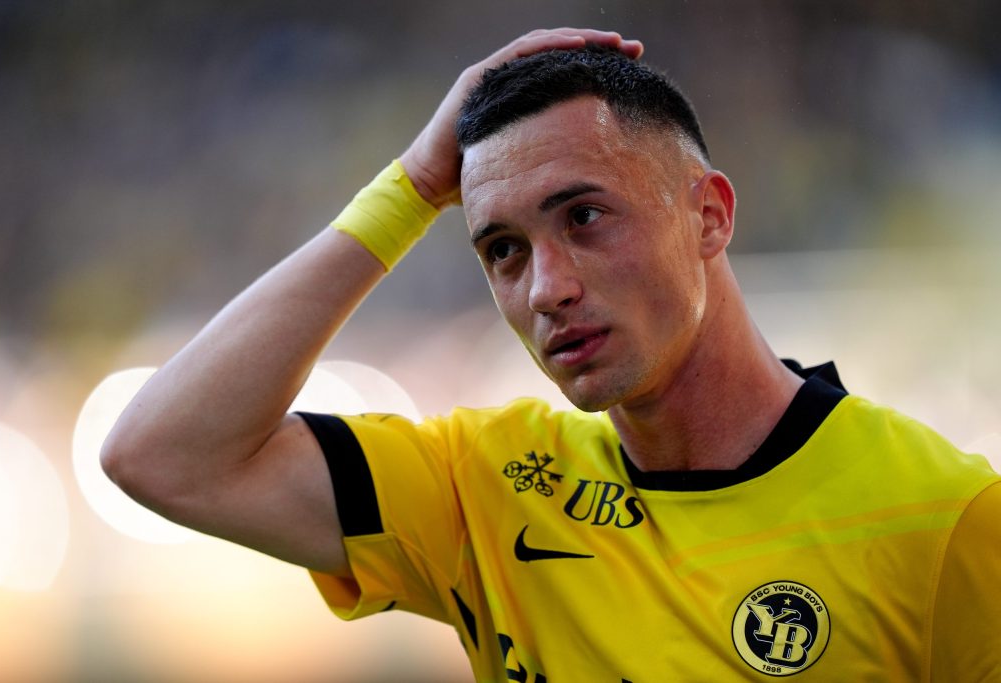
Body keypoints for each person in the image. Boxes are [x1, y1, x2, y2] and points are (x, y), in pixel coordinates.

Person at [101, 28, 1001, 681]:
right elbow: (162, 454)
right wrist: (412, 187)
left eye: (585, 216)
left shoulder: (946, 518)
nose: (546, 288)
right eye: (503, 249)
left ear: (709, 215)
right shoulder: (486, 486)